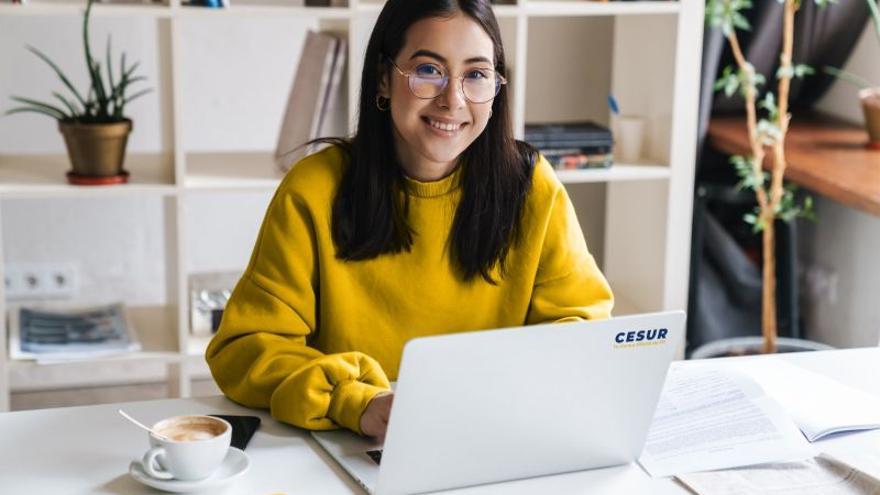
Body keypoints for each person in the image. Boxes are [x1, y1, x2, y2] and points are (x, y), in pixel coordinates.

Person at [206, 0, 613, 443]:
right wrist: (354, 401)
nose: (452, 100)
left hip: (494, 436)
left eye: (476, 75)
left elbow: (582, 328)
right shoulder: (314, 189)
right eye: (428, 70)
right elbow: (245, 348)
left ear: (496, 89)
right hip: (355, 441)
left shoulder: (531, 186)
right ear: (384, 78)